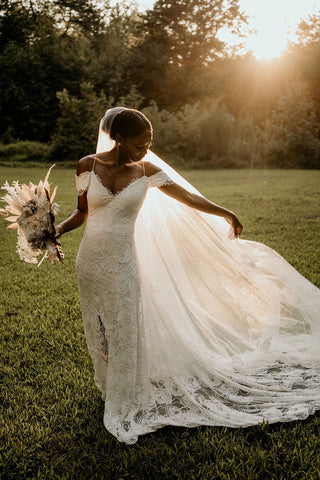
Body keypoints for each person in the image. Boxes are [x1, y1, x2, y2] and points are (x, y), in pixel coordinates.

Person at [56, 107, 320, 445]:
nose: (146, 150)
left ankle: (127, 396)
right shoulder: (86, 166)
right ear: (118, 139)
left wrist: (226, 212)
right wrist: (57, 231)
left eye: (149, 143)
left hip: (123, 262)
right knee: (99, 328)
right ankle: (110, 388)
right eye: (140, 144)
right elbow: (82, 211)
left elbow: (188, 196)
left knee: (126, 327)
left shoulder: (148, 170)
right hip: (90, 262)